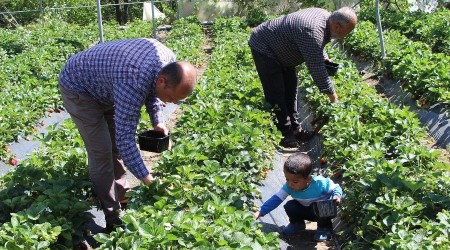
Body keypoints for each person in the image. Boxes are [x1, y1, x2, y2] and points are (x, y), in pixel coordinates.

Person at [58, 38, 197, 231]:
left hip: (107, 84)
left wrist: (158, 121)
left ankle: (122, 195)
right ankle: (112, 215)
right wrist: (149, 181)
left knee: (114, 146)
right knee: (102, 152)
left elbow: (152, 87)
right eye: (173, 98)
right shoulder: (132, 80)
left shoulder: (167, 61)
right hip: (79, 88)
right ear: (163, 81)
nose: (173, 103)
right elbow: (126, 140)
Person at [249, 7, 357, 148]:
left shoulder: (325, 17)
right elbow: (317, 70)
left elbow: (318, 43)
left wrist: (324, 57)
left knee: (291, 89)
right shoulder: (312, 30)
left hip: (283, 49)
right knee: (276, 94)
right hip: (264, 47)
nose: (344, 36)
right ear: (336, 26)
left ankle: (296, 129)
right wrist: (333, 97)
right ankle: (285, 134)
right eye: (345, 33)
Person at [254, 152, 342, 241]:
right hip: (305, 210)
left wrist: (337, 196)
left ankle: (324, 228)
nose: (290, 184)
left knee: (324, 206)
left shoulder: (320, 183)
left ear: (308, 179)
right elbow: (276, 199)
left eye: (295, 182)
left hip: (321, 213)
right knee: (290, 205)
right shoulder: (288, 187)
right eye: (287, 179)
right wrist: (260, 212)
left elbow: (336, 188)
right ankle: (297, 224)